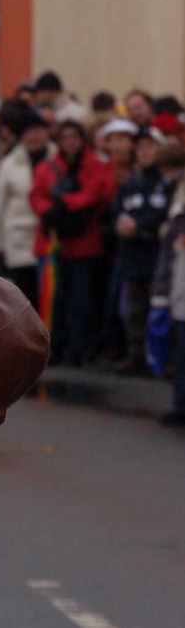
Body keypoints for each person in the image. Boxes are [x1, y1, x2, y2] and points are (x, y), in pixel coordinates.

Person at [30, 119, 115, 367]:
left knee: (82, 300)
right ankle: (55, 345)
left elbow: (97, 193)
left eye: (74, 137)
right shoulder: (48, 167)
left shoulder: (95, 167)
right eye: (65, 137)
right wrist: (50, 210)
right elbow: (36, 195)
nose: (70, 142)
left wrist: (63, 203)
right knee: (54, 298)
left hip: (85, 244)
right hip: (56, 243)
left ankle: (79, 347)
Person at [109, 131, 172, 375]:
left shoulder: (166, 184)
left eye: (150, 147)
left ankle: (162, 357)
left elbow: (165, 214)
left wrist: (141, 226)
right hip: (134, 256)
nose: (145, 152)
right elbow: (116, 212)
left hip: (158, 255)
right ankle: (137, 355)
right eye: (141, 148)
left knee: (160, 308)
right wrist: (120, 224)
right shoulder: (131, 184)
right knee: (135, 309)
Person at [0, 109, 51, 306]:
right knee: (25, 298)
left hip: (50, 241)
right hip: (19, 241)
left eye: (38, 130)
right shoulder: (10, 164)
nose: (34, 136)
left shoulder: (57, 159)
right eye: (28, 131)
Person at [151, 148, 185, 427]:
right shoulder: (178, 207)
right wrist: (162, 294)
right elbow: (169, 256)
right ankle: (180, 403)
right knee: (180, 352)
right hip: (180, 294)